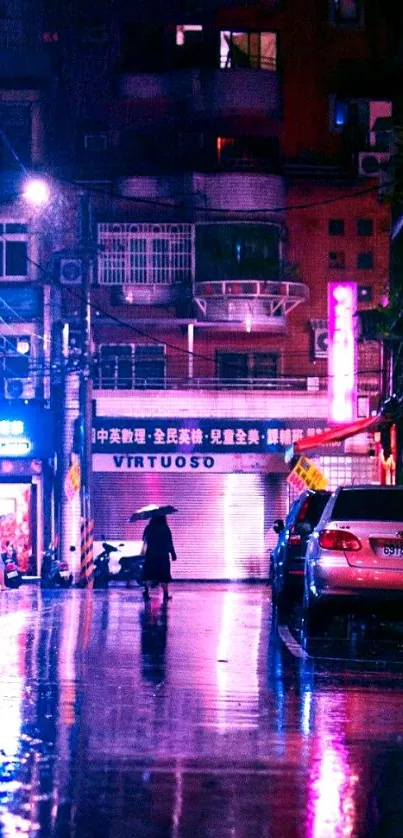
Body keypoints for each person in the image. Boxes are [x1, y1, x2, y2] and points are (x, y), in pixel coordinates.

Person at [141, 513, 177, 602]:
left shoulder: (149, 528)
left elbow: (144, 540)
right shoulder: (165, 528)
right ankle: (165, 594)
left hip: (150, 554)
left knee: (149, 574)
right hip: (162, 555)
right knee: (164, 575)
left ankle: (146, 591)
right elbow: (169, 542)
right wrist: (173, 554)